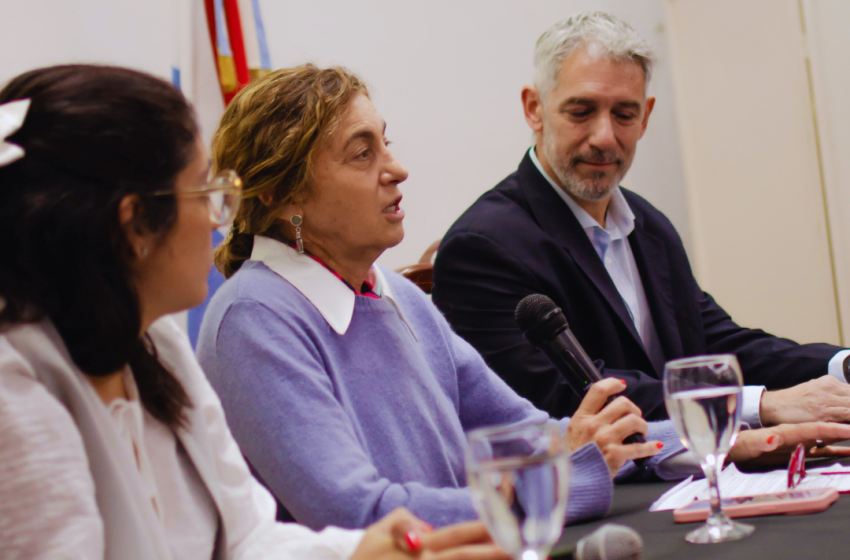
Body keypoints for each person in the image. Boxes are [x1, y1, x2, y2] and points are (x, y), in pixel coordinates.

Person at [195, 63, 850, 533]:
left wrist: (718, 441)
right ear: (282, 194)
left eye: (384, 142)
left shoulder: (395, 296)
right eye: (361, 154)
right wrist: (566, 477)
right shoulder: (256, 318)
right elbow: (359, 513)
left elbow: (540, 434)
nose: (396, 168)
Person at [0, 64, 509, 560]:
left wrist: (357, 552)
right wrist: (520, 501)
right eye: (204, 192)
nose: (217, 220)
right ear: (135, 226)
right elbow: (349, 506)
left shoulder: (159, 344)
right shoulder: (16, 395)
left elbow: (247, 539)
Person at [432, 12, 850, 425]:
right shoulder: (481, 247)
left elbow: (714, 345)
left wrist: (841, 366)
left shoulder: (648, 224)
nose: (604, 137)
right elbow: (564, 395)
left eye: (624, 114)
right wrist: (761, 405)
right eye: (581, 111)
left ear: (645, 116)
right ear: (534, 108)